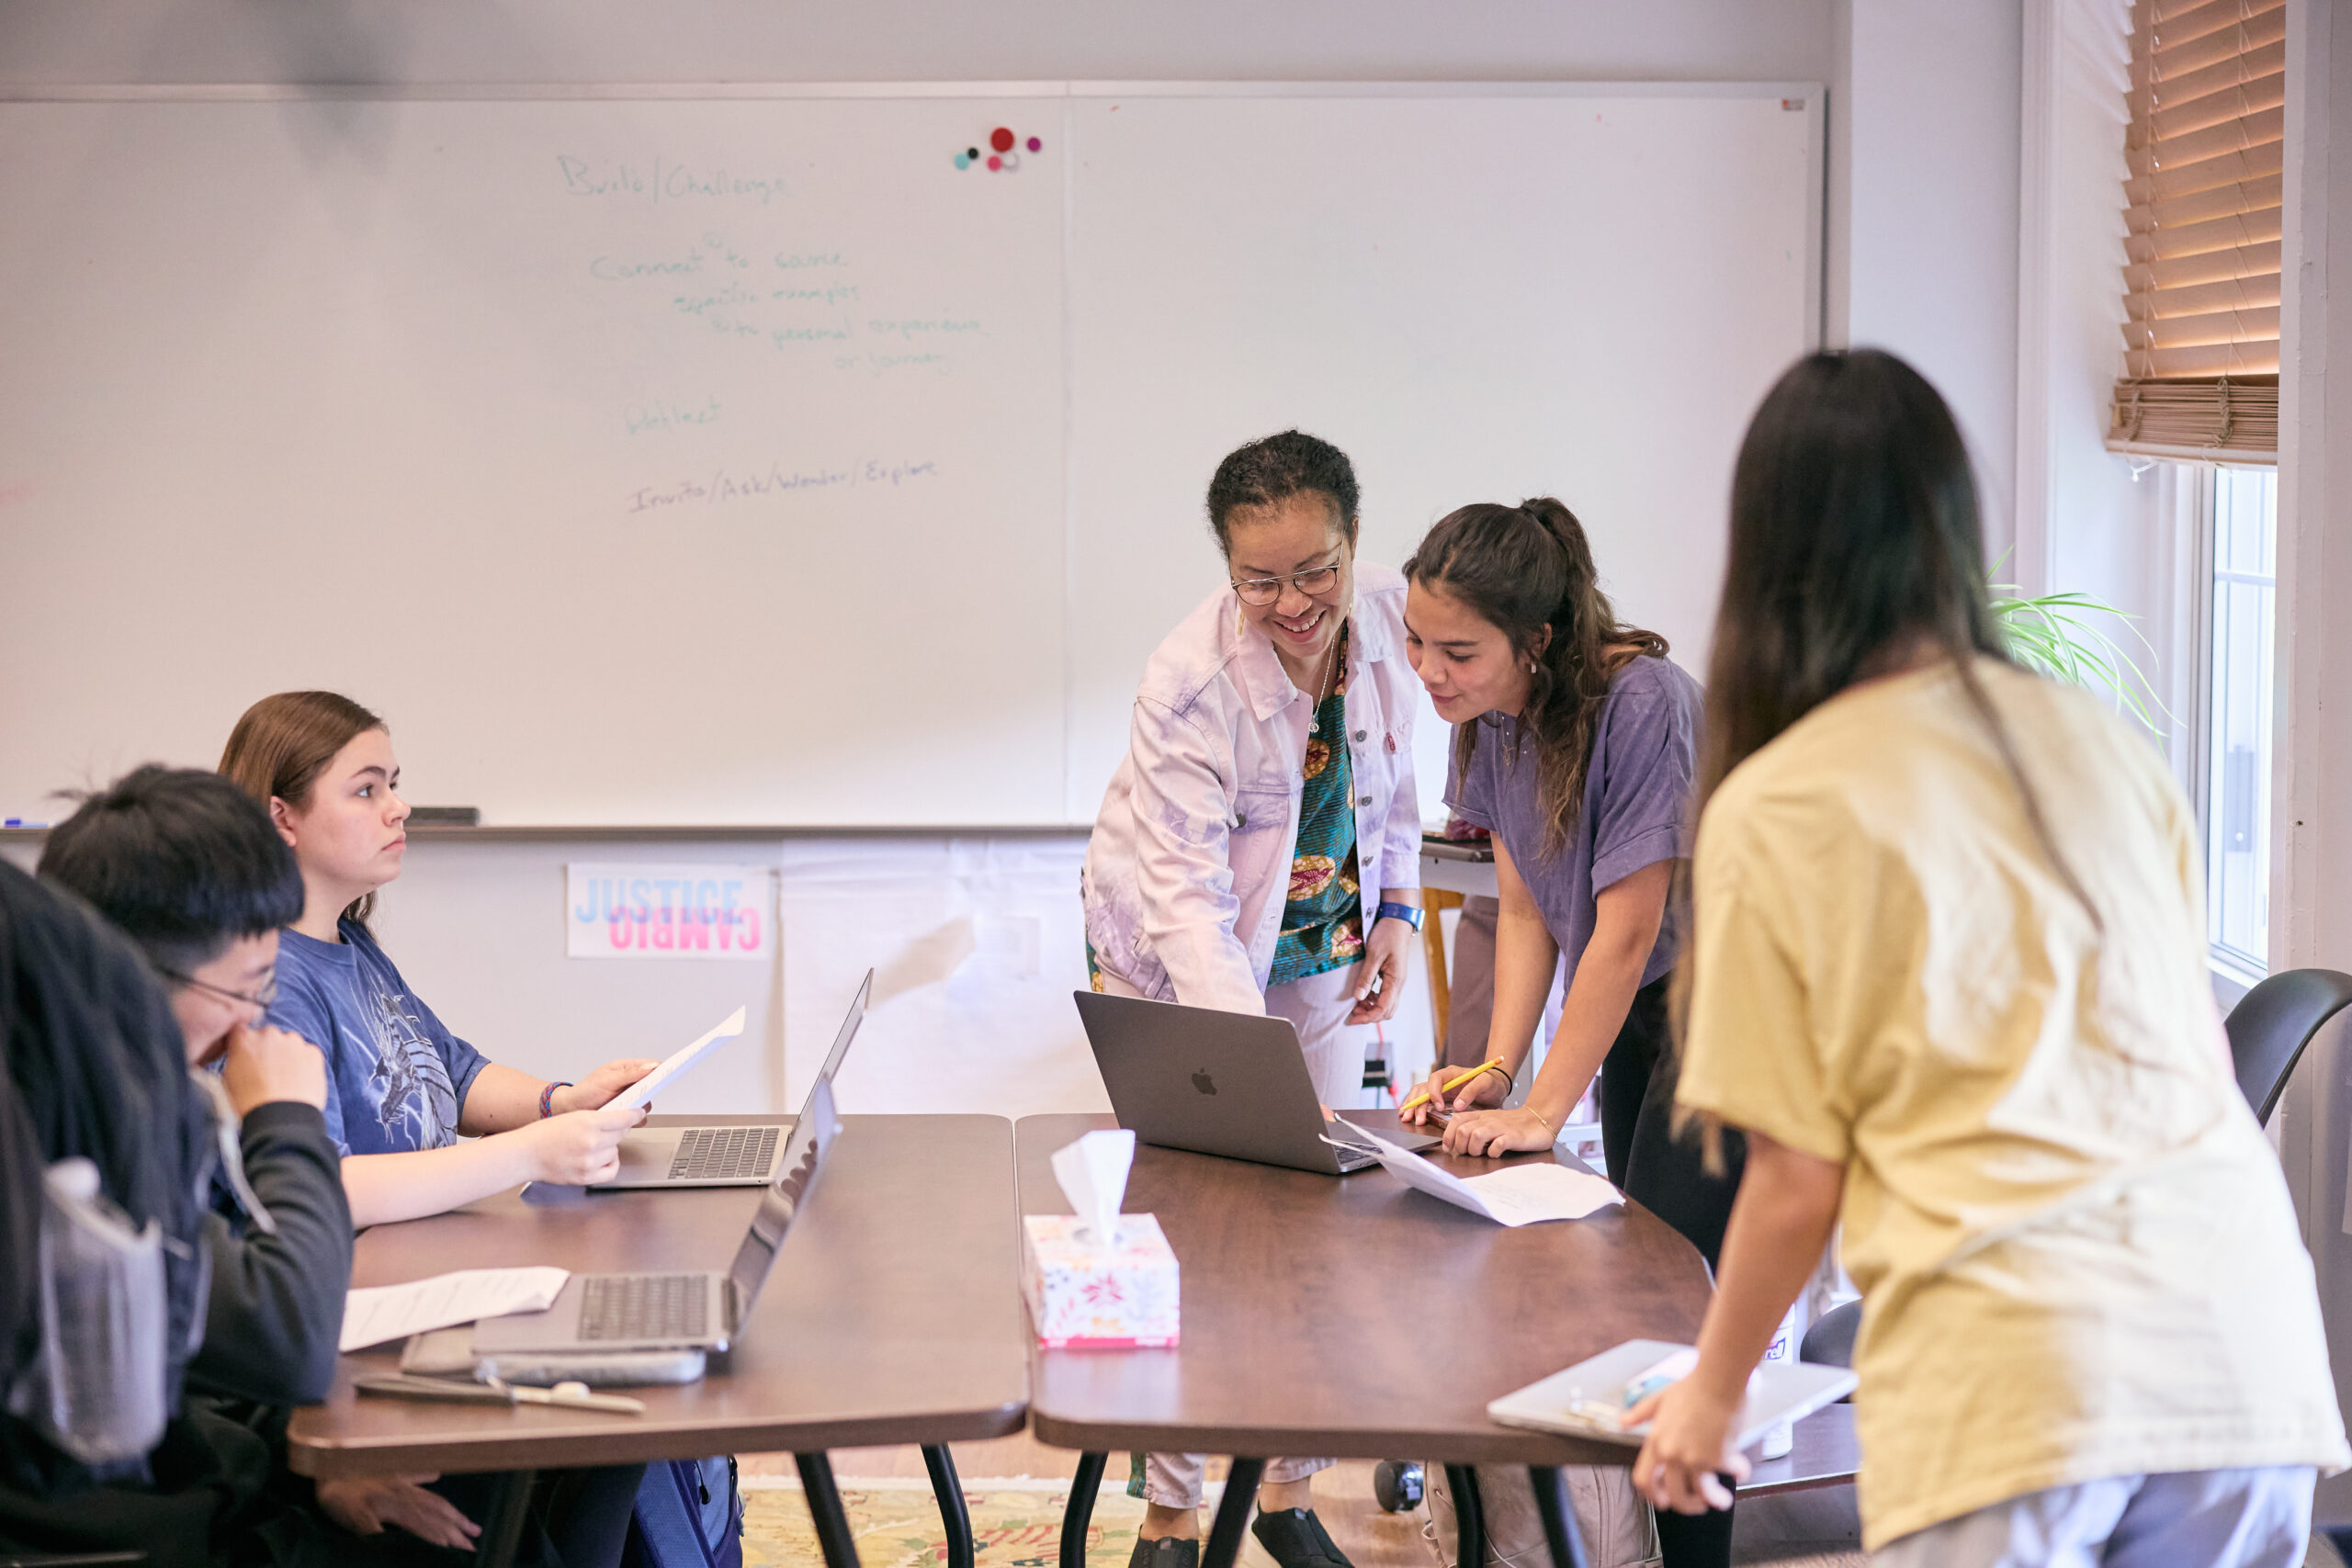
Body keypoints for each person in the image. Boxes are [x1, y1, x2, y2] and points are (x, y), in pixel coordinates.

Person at [1630, 348, 2348, 1567]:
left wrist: (1711, 1389)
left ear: (1767, 551)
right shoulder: (2097, 741)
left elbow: (1798, 1176)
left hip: (2023, 1370)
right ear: (1949, 528)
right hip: (2243, 1340)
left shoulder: (1782, 800)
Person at [1081, 430, 1423, 1568]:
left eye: (1313, 569)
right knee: (1194, 1223)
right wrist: (1252, 1081)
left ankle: (1282, 1497)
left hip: (1316, 937)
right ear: (1228, 573)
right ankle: (1173, 1516)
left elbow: (1391, 775)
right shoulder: (1188, 686)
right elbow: (1185, 907)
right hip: (1172, 957)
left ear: (1353, 545)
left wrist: (1397, 912)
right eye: (1261, 580)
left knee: (1312, 1229)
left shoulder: (1386, 618)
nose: (1293, 601)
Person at [1395, 499, 1734, 1568]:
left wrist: (1546, 1111)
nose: (1428, 671)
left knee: (1677, 1315)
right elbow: (1531, 903)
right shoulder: (1489, 718)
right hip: (1645, 1008)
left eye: (1456, 650)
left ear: (1536, 639)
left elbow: (1627, 933)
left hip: (1728, 1009)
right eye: (1414, 640)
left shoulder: (1641, 705)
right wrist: (1503, 1068)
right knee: (1638, 1298)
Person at [218, 690, 657, 1227]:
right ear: (282, 819)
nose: (398, 807)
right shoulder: (268, 986)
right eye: (365, 790)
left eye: (393, 786)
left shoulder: (351, 944)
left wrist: (561, 1103)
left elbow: (454, 1073)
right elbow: (326, 1187)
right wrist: (529, 1152)